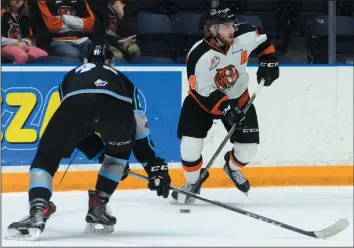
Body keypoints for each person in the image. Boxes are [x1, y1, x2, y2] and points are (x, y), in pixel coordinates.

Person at [6, 43, 171, 241]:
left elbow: (77, 128)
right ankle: (98, 206)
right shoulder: (122, 79)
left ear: (85, 61)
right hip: (116, 109)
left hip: (76, 105)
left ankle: (38, 211)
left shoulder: (72, 74)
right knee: (118, 155)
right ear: (111, 62)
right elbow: (138, 126)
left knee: (46, 158)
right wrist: (153, 166)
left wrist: (98, 152)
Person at [171, 6, 279, 204]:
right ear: (211, 30)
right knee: (189, 147)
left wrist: (269, 61)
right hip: (202, 103)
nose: (232, 29)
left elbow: (263, 38)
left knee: (248, 150)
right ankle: (192, 182)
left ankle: (232, 168)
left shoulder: (244, 34)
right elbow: (201, 92)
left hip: (239, 97)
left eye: (232, 24)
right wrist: (226, 109)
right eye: (225, 26)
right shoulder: (198, 55)